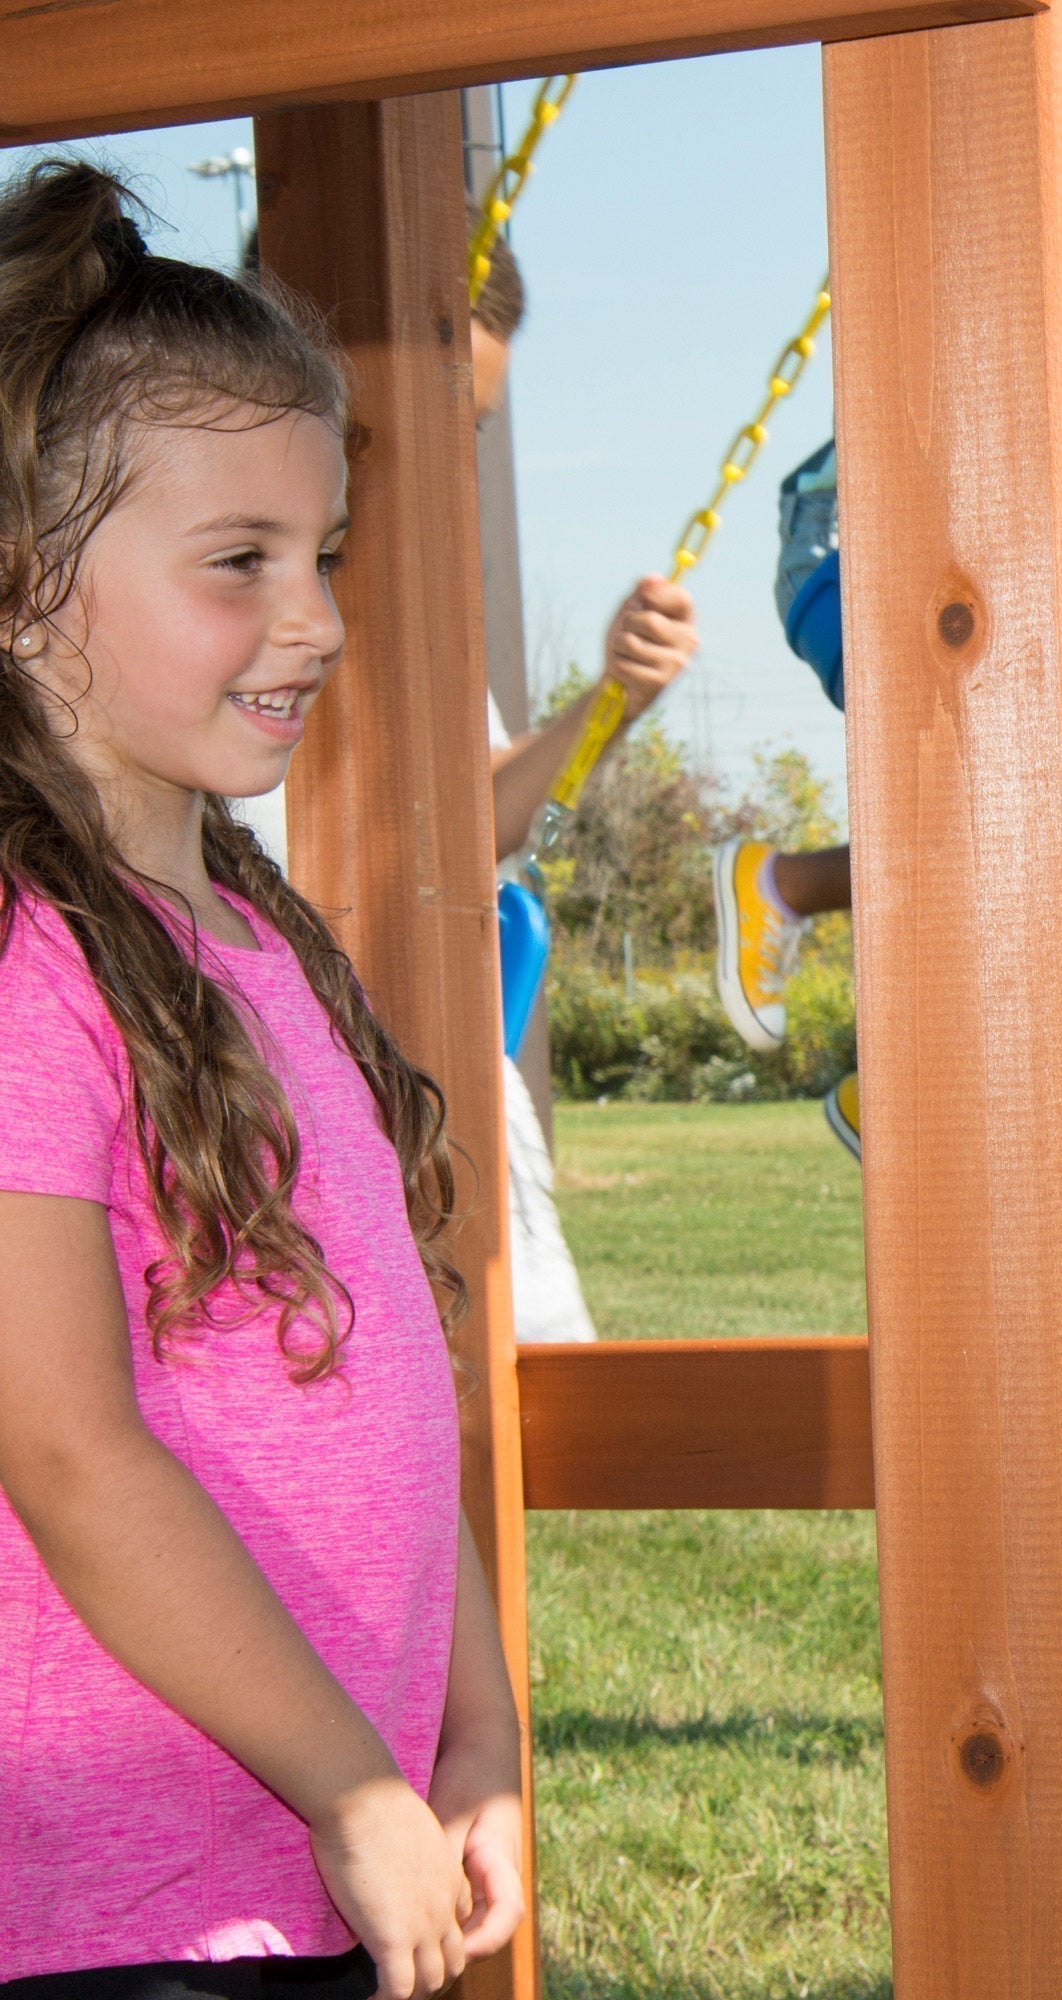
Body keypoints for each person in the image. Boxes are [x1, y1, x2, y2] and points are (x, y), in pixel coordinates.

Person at [0, 163, 523, 1990]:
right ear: (18, 581)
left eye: (327, 559)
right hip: (113, 1916)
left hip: (325, 1862)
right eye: (242, 564)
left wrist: (474, 1735)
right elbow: (64, 1446)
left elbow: (391, 1356)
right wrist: (344, 1781)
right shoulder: (23, 961)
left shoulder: (259, 935)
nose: (316, 621)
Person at [714, 392, 1062, 1159]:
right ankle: (784, 886)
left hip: (927, 563)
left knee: (1021, 837)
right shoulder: (978, 349)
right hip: (845, 541)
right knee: (983, 773)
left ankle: (900, 1075)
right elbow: (1015, 467)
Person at [464, 225, 699, 1338]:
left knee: (531, 1383)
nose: (444, 458)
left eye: (467, 428)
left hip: (453, 1087)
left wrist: (612, 696)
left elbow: (485, 820)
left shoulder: (417, 612)